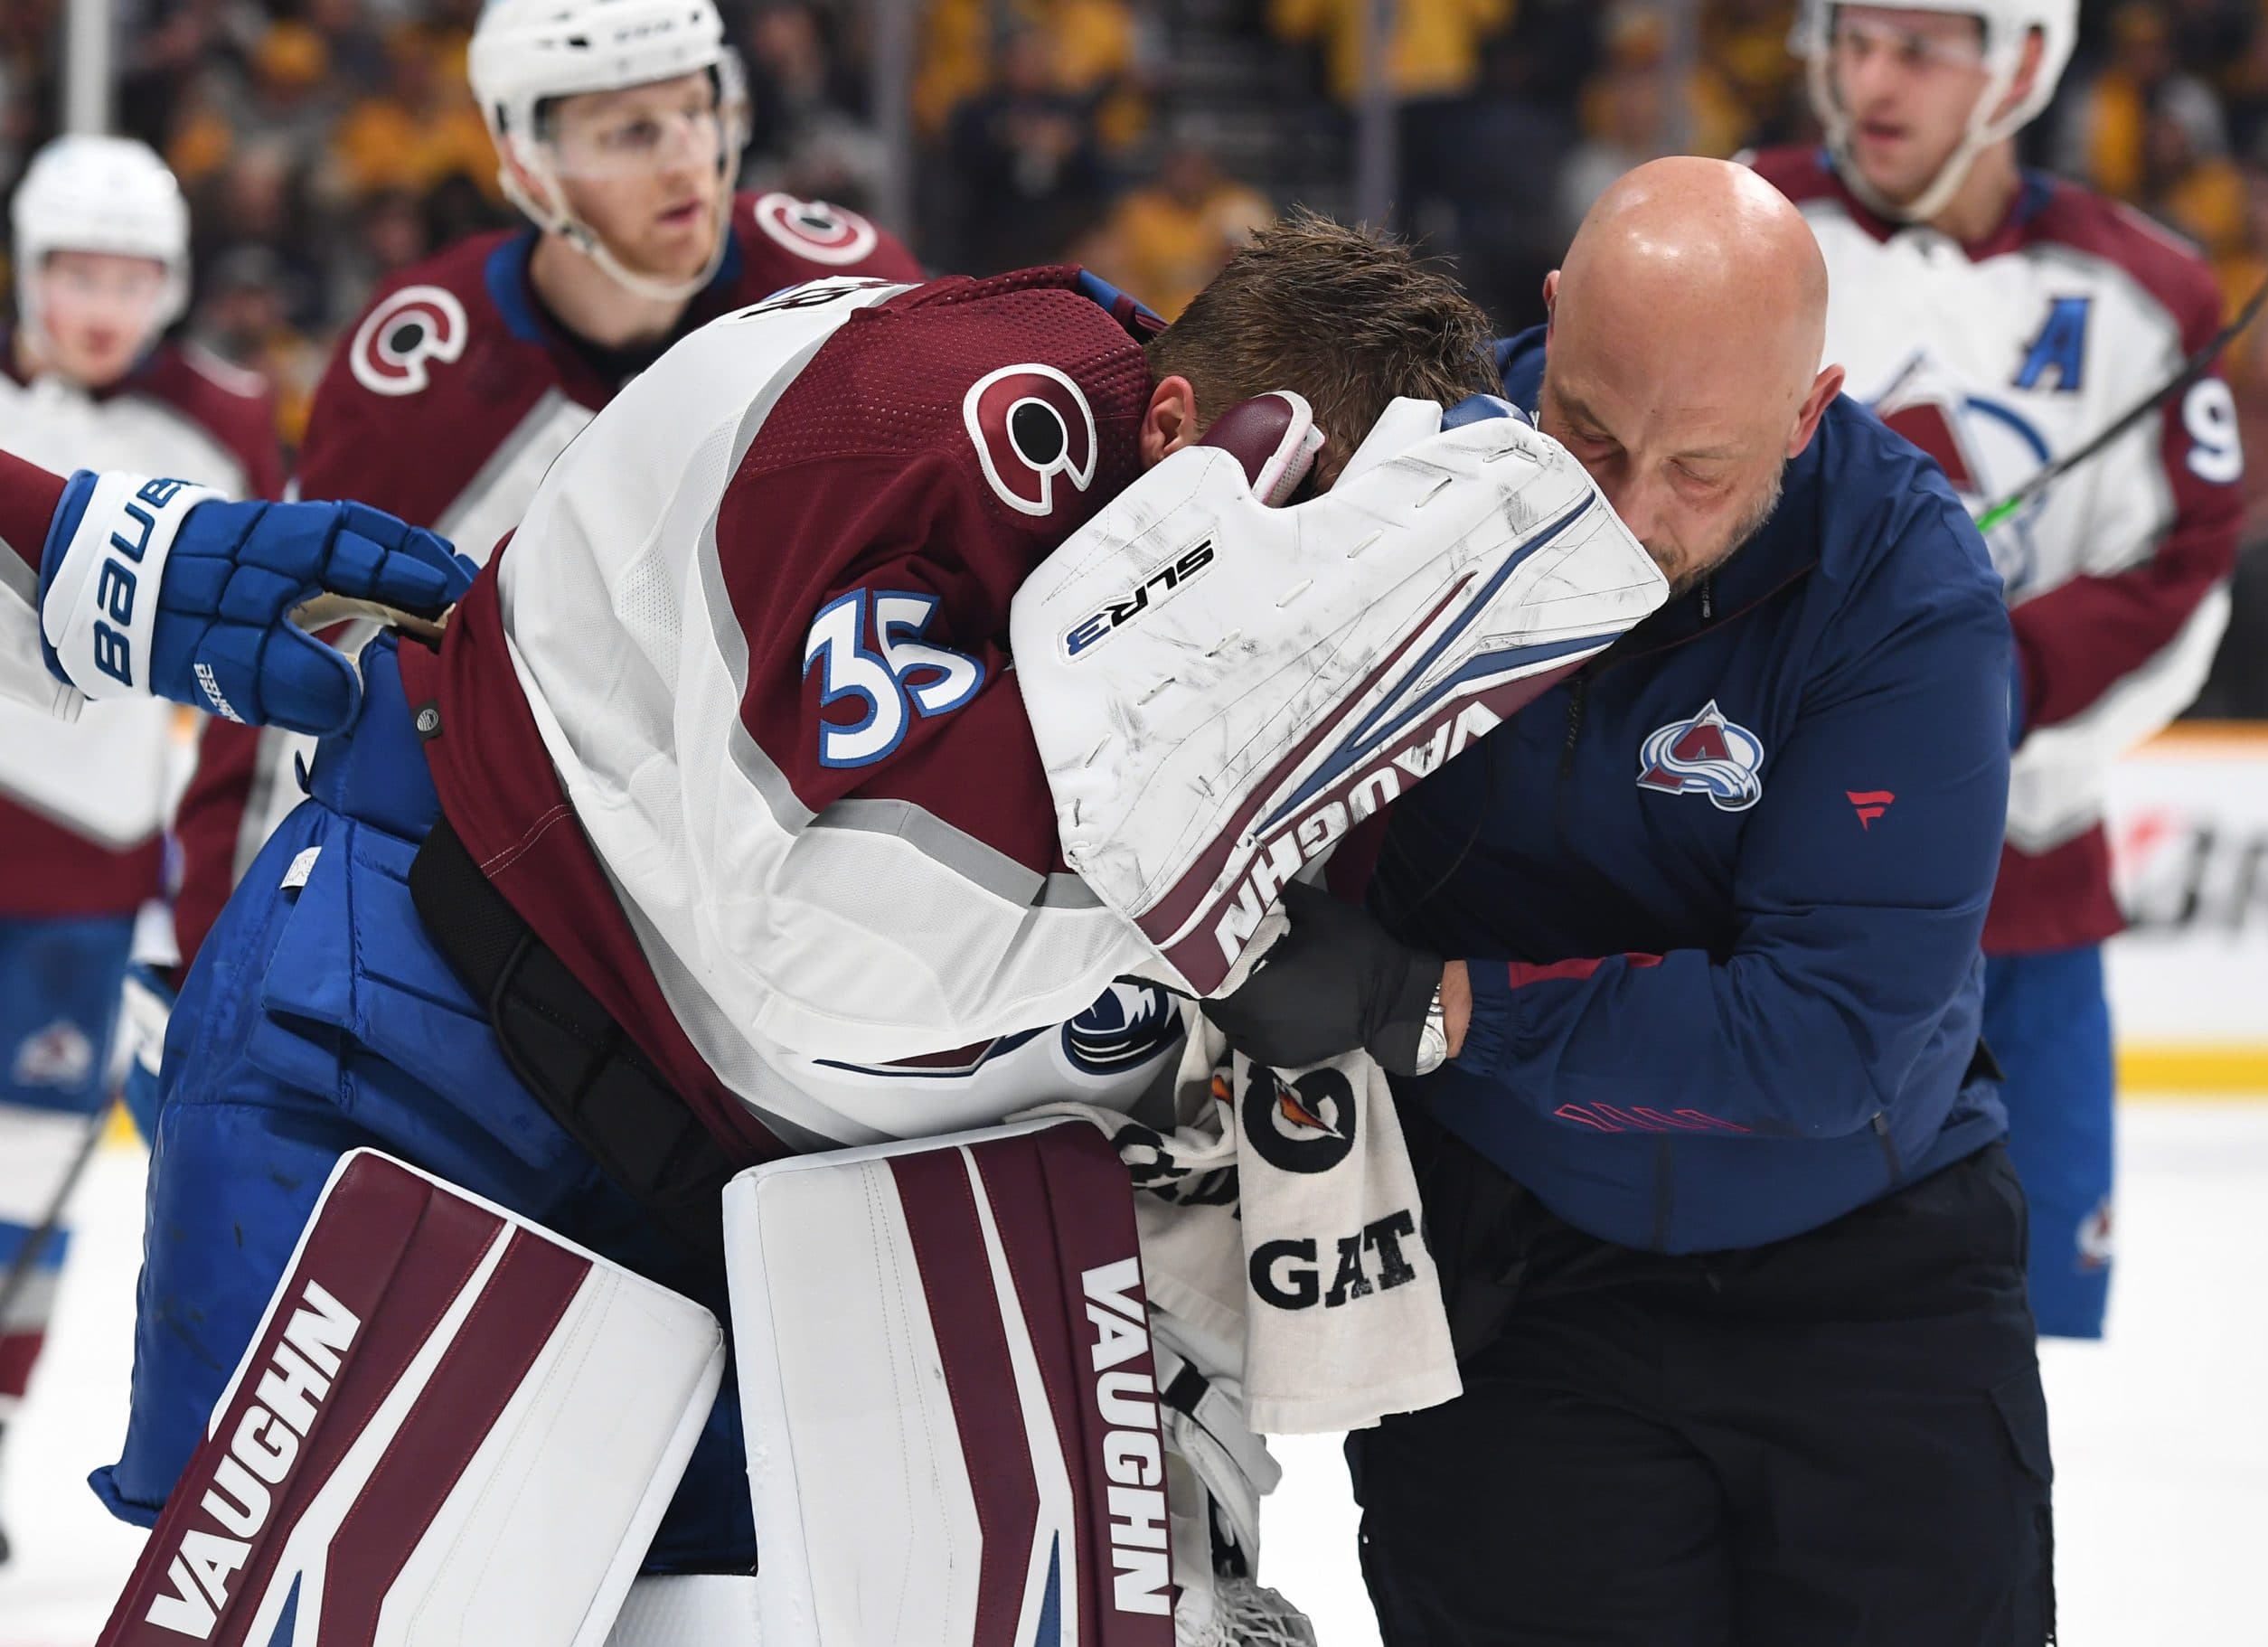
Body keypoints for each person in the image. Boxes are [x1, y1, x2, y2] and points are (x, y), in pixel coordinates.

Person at [101, 218, 1605, 1613]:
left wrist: (1187, 1546)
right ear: (1181, 438)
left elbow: (1172, 1142)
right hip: (427, 1045)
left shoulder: (1301, 647)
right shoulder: (936, 418)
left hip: (732, 1187)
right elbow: (836, 940)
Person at [1204, 158, 2049, 1645]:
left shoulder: (1911, 596)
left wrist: (1438, 1007)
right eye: (1586, 436)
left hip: (1868, 1275)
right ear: (1545, 326)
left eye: (1700, 471)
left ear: (1810, 406)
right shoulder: (1399, 471)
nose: (1631, 514)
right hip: (1511, 1277)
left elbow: (1828, 1032)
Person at [170, 0, 921, 965]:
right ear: (528, 164)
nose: (686, 157)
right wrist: (209, 956)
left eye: (699, 110)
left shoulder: (846, 297)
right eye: (630, 132)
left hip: (812, 880)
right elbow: (297, 661)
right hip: (528, 891)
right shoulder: (428, 372)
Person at [1756, 0, 2243, 1339]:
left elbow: (2181, 568)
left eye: (1917, 48)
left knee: (2028, 1362)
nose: (1868, 81)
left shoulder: (2147, 291)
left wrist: (1972, 709)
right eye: (1852, 43)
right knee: (1777, 1342)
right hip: (1771, 911)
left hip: (2027, 906)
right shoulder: (1734, 231)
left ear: (2024, 62)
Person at [0, 136, 281, 1560]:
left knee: (19, 1181)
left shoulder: (227, 427)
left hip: (95, 879)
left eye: (130, 276)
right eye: (74, 272)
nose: (101, 303)